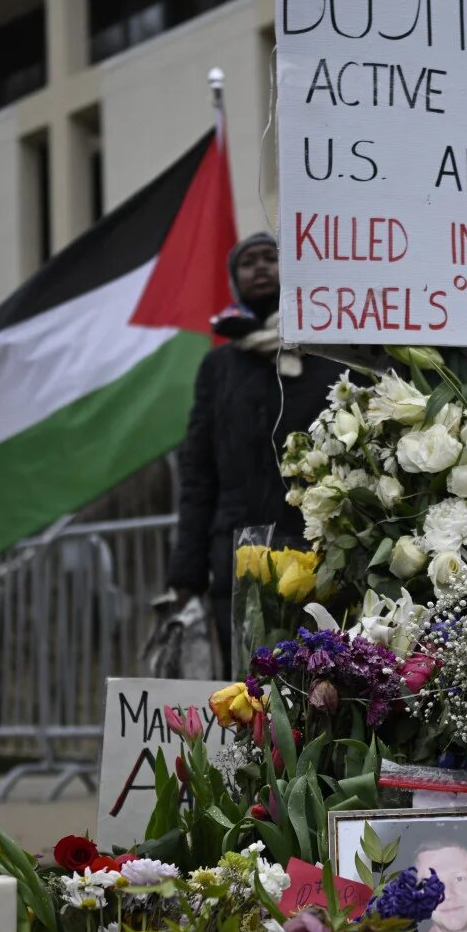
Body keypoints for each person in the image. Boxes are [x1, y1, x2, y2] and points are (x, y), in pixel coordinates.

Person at [167, 231, 338, 671]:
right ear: (235, 281)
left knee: (318, 680)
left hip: (315, 550)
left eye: (270, 258)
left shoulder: (328, 352)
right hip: (237, 556)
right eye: (248, 262)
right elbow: (198, 471)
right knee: (246, 684)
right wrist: (186, 573)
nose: (260, 267)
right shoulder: (219, 367)